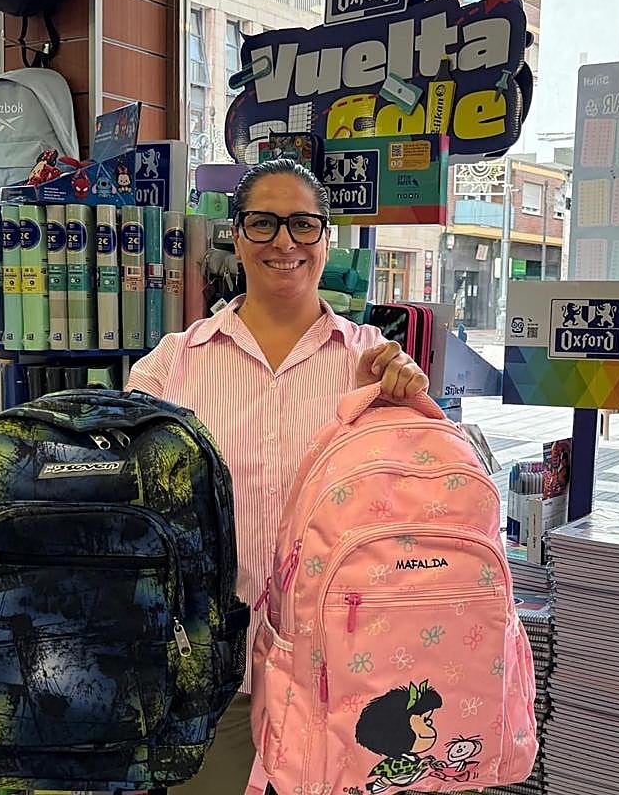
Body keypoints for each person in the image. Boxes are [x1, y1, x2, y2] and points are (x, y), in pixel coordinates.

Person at [126, 158, 430, 793]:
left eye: (303, 224)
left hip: (338, 674)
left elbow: (409, 516)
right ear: (236, 235)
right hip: (210, 678)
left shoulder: (369, 365)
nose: (284, 243)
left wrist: (407, 409)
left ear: (327, 238)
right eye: (263, 224)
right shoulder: (174, 368)